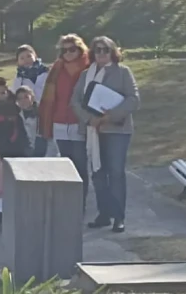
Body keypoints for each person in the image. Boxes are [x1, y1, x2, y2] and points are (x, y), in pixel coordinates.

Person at [72, 36, 141, 233]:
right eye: (97, 50)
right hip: (93, 130)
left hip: (117, 130)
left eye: (105, 49)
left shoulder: (123, 72)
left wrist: (109, 116)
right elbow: (75, 101)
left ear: (113, 51)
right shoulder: (86, 75)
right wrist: (89, 119)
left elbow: (133, 100)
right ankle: (104, 214)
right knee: (98, 173)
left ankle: (119, 217)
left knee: (116, 173)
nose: (101, 53)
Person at [38, 34, 90, 204]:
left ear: (80, 49)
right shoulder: (56, 69)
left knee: (81, 164)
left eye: (72, 49)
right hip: (59, 121)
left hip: (79, 121)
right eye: (64, 50)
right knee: (67, 164)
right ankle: (70, 202)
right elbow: (50, 97)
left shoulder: (88, 67)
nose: (68, 53)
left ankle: (81, 202)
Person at [15, 87, 42, 158]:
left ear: (32, 97)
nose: (23, 101)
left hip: (41, 151)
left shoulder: (42, 113)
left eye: (26, 97)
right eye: (19, 99)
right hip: (23, 152)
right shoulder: (16, 115)